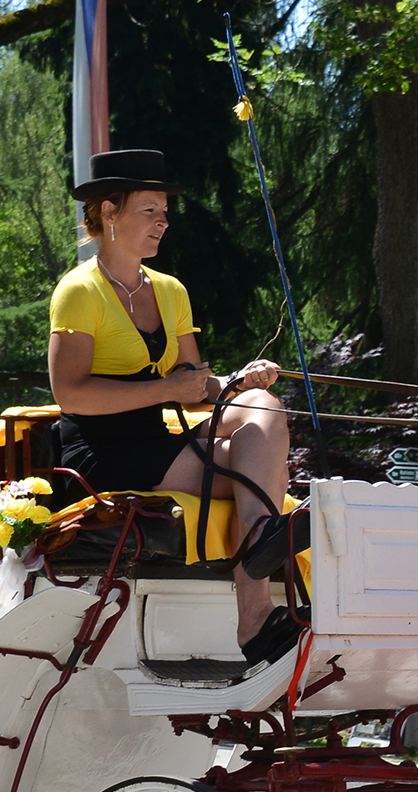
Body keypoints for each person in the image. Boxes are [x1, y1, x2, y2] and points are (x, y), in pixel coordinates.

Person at [46, 147, 305, 670]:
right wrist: (169, 391)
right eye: (150, 210)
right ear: (109, 212)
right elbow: (70, 395)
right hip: (100, 449)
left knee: (264, 407)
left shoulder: (170, 290)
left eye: (165, 212)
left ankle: (258, 539)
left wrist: (235, 381)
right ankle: (254, 610)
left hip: (155, 433)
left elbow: (197, 385)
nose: (163, 222)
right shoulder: (78, 291)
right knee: (255, 469)